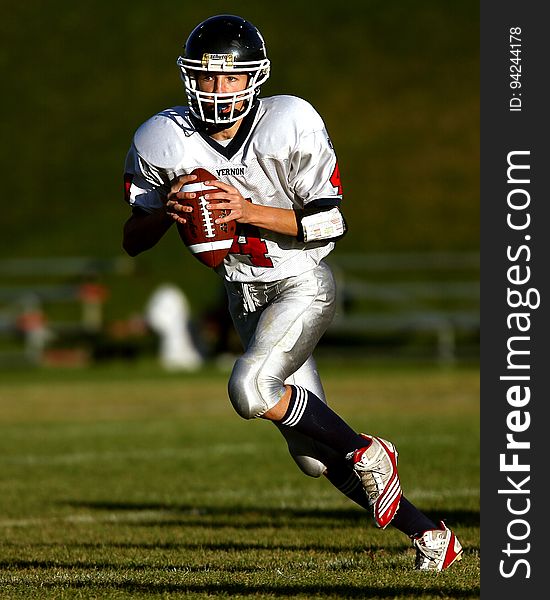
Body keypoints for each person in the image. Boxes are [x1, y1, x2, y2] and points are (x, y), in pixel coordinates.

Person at [121, 14, 463, 571]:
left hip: (301, 283)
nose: (217, 90)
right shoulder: (162, 139)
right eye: (207, 79)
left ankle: (364, 450)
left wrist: (244, 211)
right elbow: (133, 239)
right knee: (310, 457)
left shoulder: (289, 120)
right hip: (243, 297)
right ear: (189, 79)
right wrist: (168, 209)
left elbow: (331, 223)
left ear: (254, 78)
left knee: (250, 388)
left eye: (231, 78)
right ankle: (430, 534)